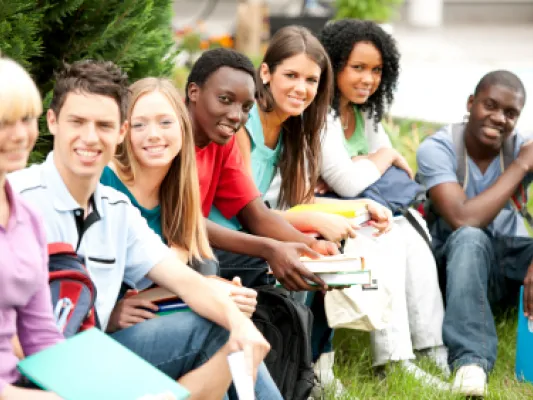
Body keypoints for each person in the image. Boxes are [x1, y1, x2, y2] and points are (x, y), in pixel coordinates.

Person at [8, 59, 282, 400]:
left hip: (88, 357)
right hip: (39, 370)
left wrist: (240, 325)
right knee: (213, 336)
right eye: (77, 122)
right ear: (52, 122)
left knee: (227, 331)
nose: (90, 138)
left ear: (120, 131)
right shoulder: (19, 199)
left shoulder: (115, 210)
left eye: (104, 125)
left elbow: (187, 282)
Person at [213, 26, 392, 395]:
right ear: (266, 74)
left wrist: (359, 207)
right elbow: (252, 213)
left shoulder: (293, 129)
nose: (301, 88)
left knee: (324, 248)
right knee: (305, 251)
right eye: (290, 75)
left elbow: (293, 205)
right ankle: (300, 371)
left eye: (311, 79)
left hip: (254, 233)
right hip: (226, 240)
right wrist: (311, 224)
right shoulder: (245, 127)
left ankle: (307, 366)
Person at [317, 19, 448, 387]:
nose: (368, 79)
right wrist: (381, 157)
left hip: (362, 208)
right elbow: (347, 181)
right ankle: (393, 359)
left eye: (376, 70)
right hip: (324, 212)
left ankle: (431, 349)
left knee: (413, 228)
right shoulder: (321, 115)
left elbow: (399, 176)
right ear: (333, 63)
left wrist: (369, 162)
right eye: (357, 67)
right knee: (384, 234)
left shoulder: (364, 112)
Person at [100, 77, 258, 332]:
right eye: (139, 125)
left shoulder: (178, 192)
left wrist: (226, 294)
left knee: (225, 317)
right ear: (123, 132)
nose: (154, 135)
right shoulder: (104, 184)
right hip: (102, 332)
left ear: (183, 128)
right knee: (218, 326)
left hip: (153, 320)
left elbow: (164, 284)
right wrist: (108, 316)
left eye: (165, 123)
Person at [417, 70, 532, 397]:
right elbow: (463, 218)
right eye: (490, 106)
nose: (499, 118)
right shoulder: (439, 148)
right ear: (471, 103)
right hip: (453, 266)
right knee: (470, 238)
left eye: (511, 114)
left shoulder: (520, 146)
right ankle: (471, 363)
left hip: (508, 262)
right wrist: (520, 167)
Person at [185, 47, 339, 292]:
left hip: (200, 245)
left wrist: (311, 246)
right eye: (224, 99)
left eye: (246, 107)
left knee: (300, 264)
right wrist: (270, 248)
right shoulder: (170, 139)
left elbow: (255, 213)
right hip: (168, 250)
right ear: (194, 92)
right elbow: (184, 223)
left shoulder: (222, 141)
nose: (236, 116)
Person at [0, 57, 64, 400]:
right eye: (3, 123)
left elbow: (40, 334)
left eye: (26, 119)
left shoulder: (28, 219)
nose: (20, 135)